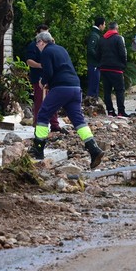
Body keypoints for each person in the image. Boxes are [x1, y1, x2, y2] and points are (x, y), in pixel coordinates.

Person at [30, 31, 105, 168]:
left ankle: (38, 148)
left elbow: (49, 72)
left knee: (43, 114)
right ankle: (93, 148)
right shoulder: (61, 49)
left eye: (37, 43)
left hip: (61, 88)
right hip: (75, 88)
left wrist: (43, 81)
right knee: (78, 121)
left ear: (42, 42)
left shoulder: (46, 52)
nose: (37, 46)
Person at [25, 23, 62, 133]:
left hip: (51, 77)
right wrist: (41, 65)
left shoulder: (51, 47)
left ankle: (54, 124)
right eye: (43, 33)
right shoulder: (33, 46)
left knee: (53, 100)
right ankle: (38, 124)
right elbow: (29, 61)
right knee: (40, 102)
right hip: (38, 77)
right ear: (37, 34)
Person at [98, 21, 128, 117]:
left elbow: (98, 53)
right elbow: (122, 53)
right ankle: (121, 111)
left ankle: (110, 111)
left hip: (104, 68)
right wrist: (123, 65)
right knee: (119, 90)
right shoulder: (118, 38)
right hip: (116, 68)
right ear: (116, 28)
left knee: (107, 91)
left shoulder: (102, 39)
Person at [85, 16, 105, 99]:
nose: (104, 26)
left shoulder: (96, 34)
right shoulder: (94, 35)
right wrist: (98, 57)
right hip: (94, 64)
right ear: (100, 25)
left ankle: (94, 105)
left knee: (95, 85)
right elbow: (90, 49)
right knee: (93, 86)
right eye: (104, 24)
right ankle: (91, 105)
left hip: (95, 64)